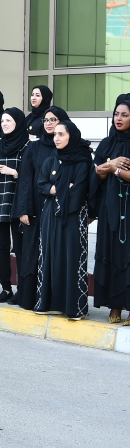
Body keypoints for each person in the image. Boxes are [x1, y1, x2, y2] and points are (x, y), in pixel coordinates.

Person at [35, 120, 96, 320]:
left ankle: (74, 308)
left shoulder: (82, 161)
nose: (57, 138)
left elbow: (79, 190)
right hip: (50, 215)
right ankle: (50, 303)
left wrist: (56, 189)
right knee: (50, 256)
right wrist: (61, 188)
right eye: (55, 134)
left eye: (61, 134)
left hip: (73, 215)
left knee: (72, 258)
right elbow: (41, 184)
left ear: (72, 136)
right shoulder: (51, 160)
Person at [13, 106, 70, 310]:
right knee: (32, 252)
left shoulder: (69, 146)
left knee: (56, 253)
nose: (48, 123)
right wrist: (23, 209)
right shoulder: (33, 147)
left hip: (61, 209)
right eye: (46, 120)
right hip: (36, 209)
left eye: (53, 119)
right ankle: (31, 299)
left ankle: (55, 301)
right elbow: (25, 179)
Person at [0, 107, 28, 304]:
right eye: (2, 121)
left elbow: (30, 175)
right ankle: (6, 288)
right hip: (0, 199)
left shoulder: (26, 146)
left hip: (17, 200)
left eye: (8, 120)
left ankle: (22, 289)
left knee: (19, 247)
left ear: (17, 123)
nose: (4, 124)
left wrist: (14, 172)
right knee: (2, 247)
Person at [93, 98, 130, 324]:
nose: (119, 118)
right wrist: (110, 165)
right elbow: (96, 173)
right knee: (112, 252)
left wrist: (114, 169)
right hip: (110, 208)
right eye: (117, 114)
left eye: (124, 115)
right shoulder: (107, 143)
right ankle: (114, 306)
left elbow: (108, 170)